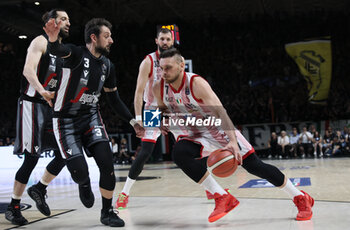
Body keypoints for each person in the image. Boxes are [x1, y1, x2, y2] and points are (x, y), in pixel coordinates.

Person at [153, 48, 314, 223]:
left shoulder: (196, 84)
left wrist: (233, 142)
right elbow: (162, 109)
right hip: (194, 133)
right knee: (180, 153)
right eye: (161, 68)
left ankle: (299, 197)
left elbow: (221, 113)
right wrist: (163, 121)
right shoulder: (158, 87)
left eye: (168, 68)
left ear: (181, 65)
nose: (164, 72)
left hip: (216, 129)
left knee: (255, 166)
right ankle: (222, 196)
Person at [44, 17, 144, 227]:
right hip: (65, 121)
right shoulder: (76, 53)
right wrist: (52, 40)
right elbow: (56, 50)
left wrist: (133, 121)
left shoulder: (108, 66)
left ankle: (107, 212)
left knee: (107, 163)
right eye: (107, 36)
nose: (111, 41)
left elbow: (114, 100)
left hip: (90, 118)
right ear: (93, 37)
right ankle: (84, 182)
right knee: (80, 172)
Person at [5, 9, 70, 226]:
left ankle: (39, 188)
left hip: (50, 108)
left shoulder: (62, 50)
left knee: (65, 152)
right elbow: (28, 70)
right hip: (32, 105)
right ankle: (14, 207)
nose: (68, 23)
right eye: (63, 19)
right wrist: (42, 91)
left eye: (69, 19)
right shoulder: (39, 42)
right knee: (31, 158)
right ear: (52, 22)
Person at [115, 28, 176, 209]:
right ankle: (124, 192)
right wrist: (139, 118)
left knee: (193, 143)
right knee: (145, 152)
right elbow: (138, 92)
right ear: (156, 40)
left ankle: (210, 189)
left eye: (168, 39)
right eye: (162, 39)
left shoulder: (176, 60)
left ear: (172, 42)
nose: (165, 42)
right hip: (152, 110)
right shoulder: (149, 61)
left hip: (172, 109)